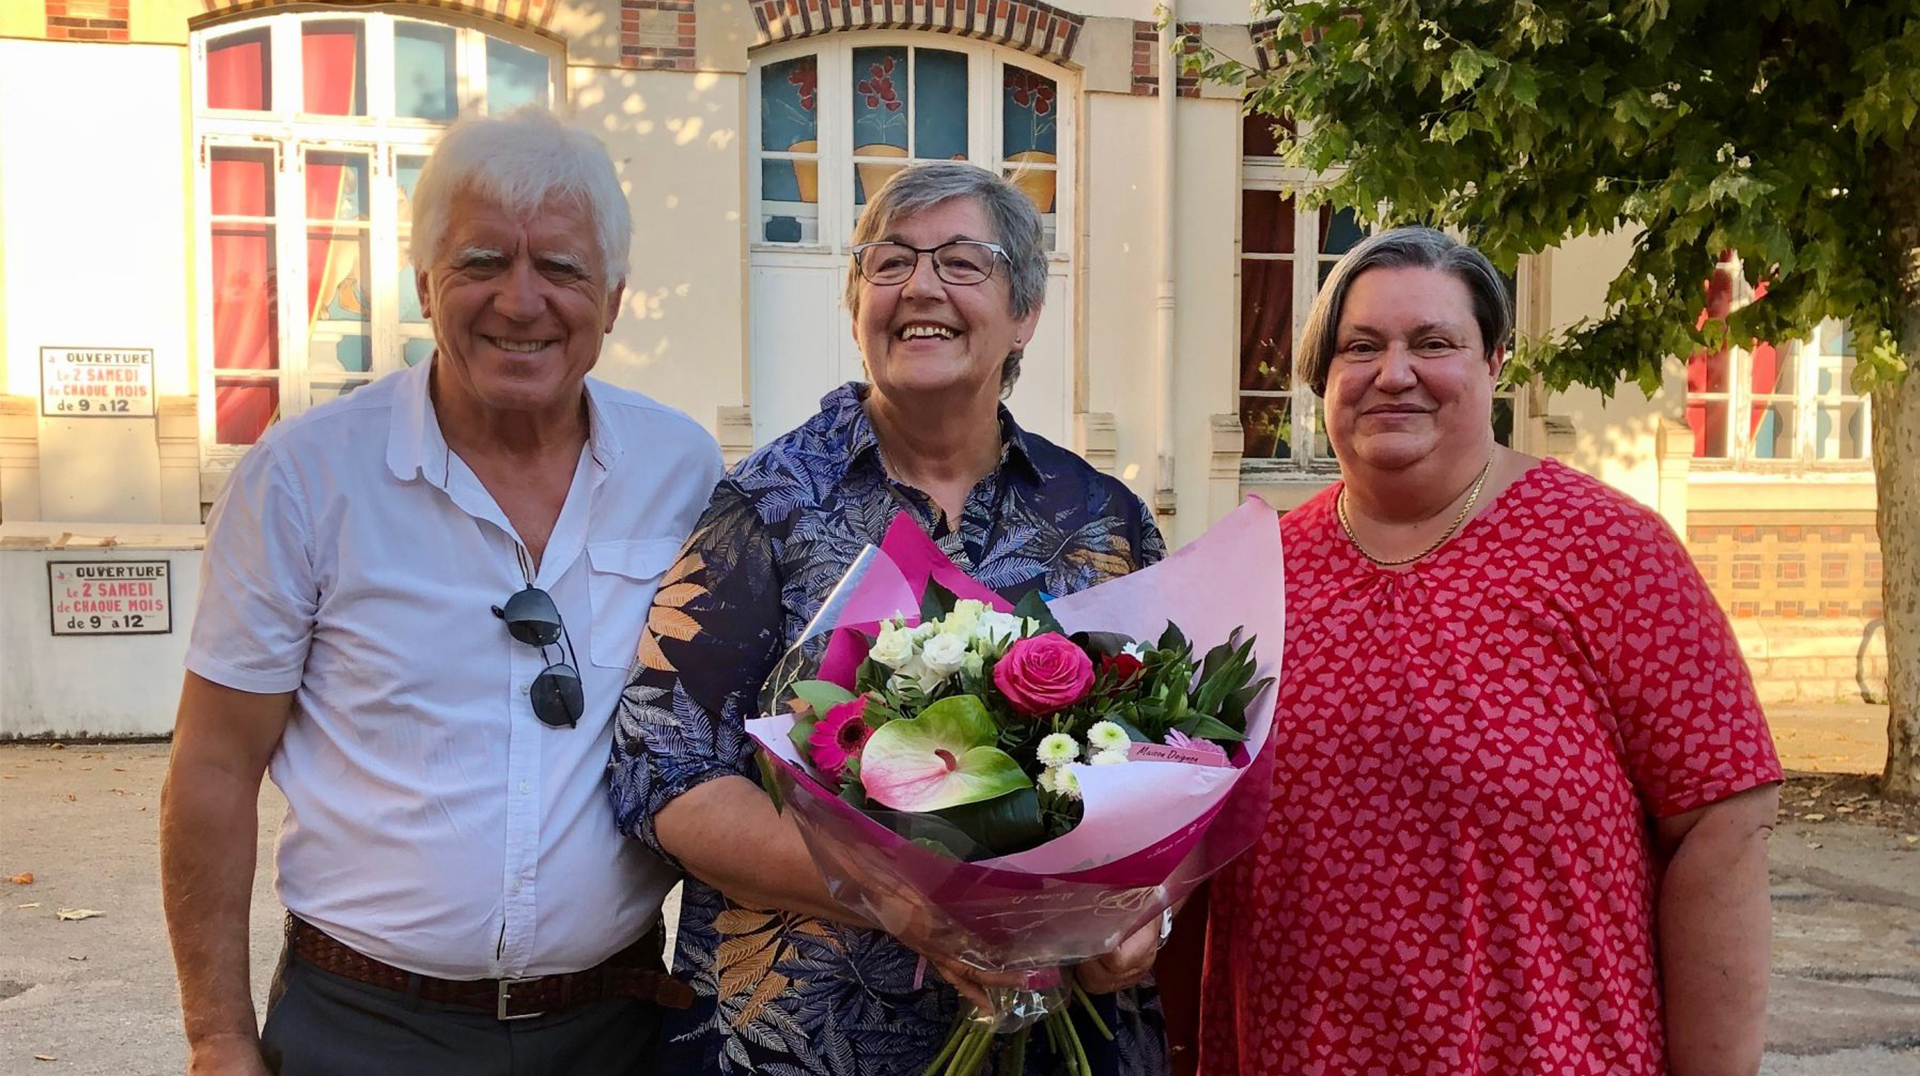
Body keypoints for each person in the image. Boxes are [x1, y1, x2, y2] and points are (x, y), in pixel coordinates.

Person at [159, 108, 723, 1075]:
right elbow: (213, 767)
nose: (520, 300)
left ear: (615, 299)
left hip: (614, 1029)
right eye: (479, 263)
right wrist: (218, 1038)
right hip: (364, 1029)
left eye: (560, 268)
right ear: (425, 285)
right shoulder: (306, 478)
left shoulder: (680, 467)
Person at [607, 161, 1171, 1075]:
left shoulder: (1103, 520)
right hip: (804, 1041)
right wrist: (901, 898)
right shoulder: (766, 508)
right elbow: (659, 772)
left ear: (1024, 313)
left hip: (1058, 1043)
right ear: (856, 299)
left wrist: (1143, 921)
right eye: (890, 262)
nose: (920, 287)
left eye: (960, 262)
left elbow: (1170, 768)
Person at [1194, 227, 1782, 1075]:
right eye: (1361, 347)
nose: (1394, 373)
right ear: (1323, 375)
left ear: (1495, 360)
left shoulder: (1609, 552)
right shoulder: (1252, 575)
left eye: (1434, 343)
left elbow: (1721, 826)